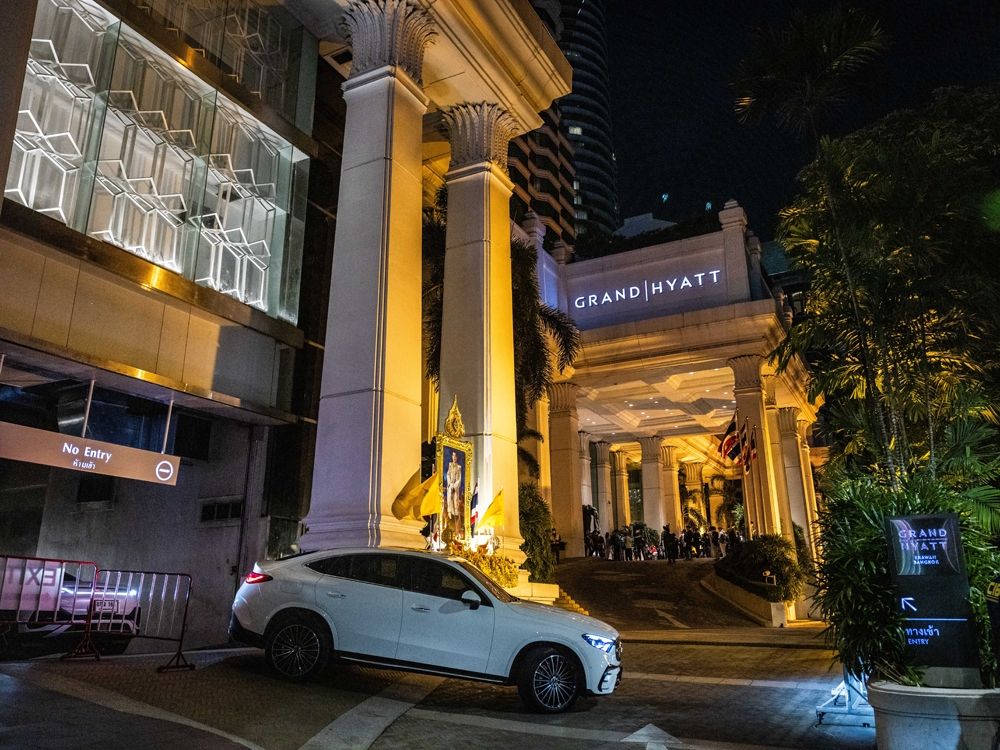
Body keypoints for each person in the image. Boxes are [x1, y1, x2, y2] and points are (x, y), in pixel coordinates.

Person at [445, 450, 464, 538]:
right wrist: (450, 484)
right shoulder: (450, 465)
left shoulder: (459, 467)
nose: (454, 458)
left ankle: (455, 513)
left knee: (455, 499)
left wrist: (455, 485)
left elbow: (459, 478)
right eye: (453, 456)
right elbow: (448, 475)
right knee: (449, 499)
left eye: (455, 456)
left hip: (455, 487)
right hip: (450, 485)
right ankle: (450, 512)